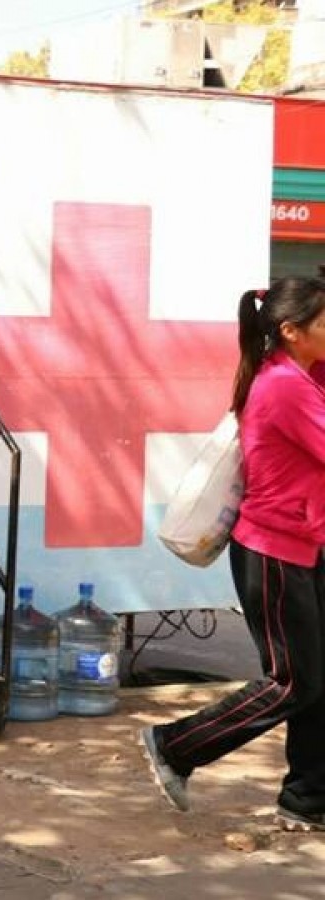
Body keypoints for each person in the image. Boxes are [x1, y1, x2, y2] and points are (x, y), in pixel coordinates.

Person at [140, 276, 325, 833]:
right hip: (272, 551)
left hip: (307, 544)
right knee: (292, 680)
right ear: (292, 332)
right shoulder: (284, 387)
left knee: (320, 677)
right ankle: (176, 746)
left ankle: (307, 798)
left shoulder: (302, 371)